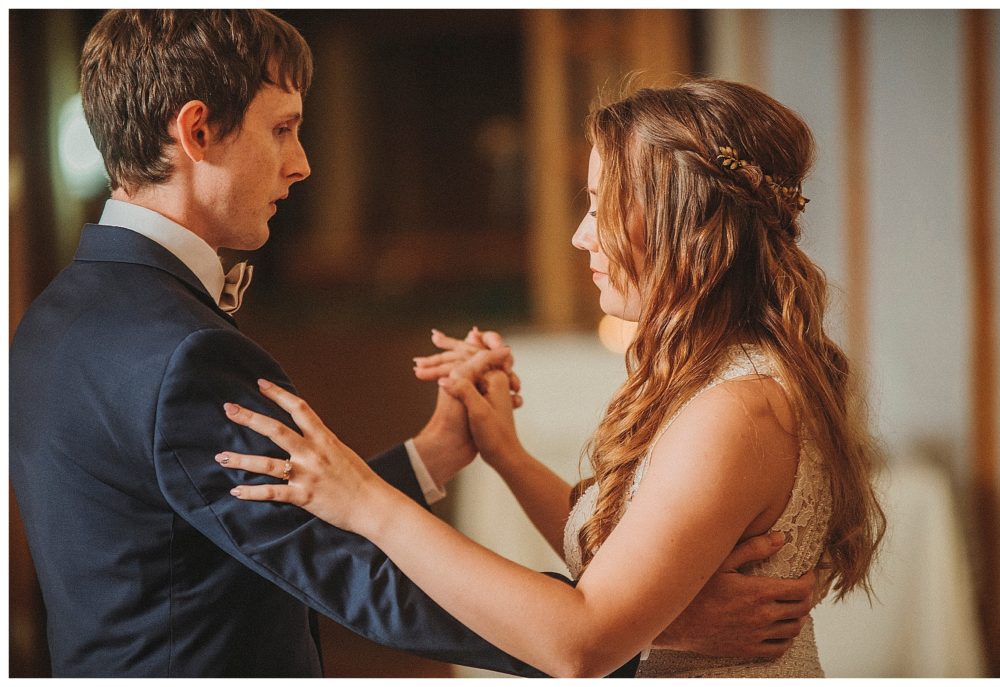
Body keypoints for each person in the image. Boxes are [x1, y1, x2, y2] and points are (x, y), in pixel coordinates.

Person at [9, 11, 814, 678]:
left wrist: (437, 453)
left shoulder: (55, 318)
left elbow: (245, 525)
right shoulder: (179, 349)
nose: (302, 162)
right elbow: (335, 563)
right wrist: (640, 626)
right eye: (283, 128)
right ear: (197, 131)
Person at [218, 79, 886, 677]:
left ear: (685, 220)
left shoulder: (735, 410)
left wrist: (365, 499)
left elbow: (580, 642)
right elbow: (612, 551)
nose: (579, 235)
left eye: (601, 205)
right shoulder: (721, 373)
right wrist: (503, 452)